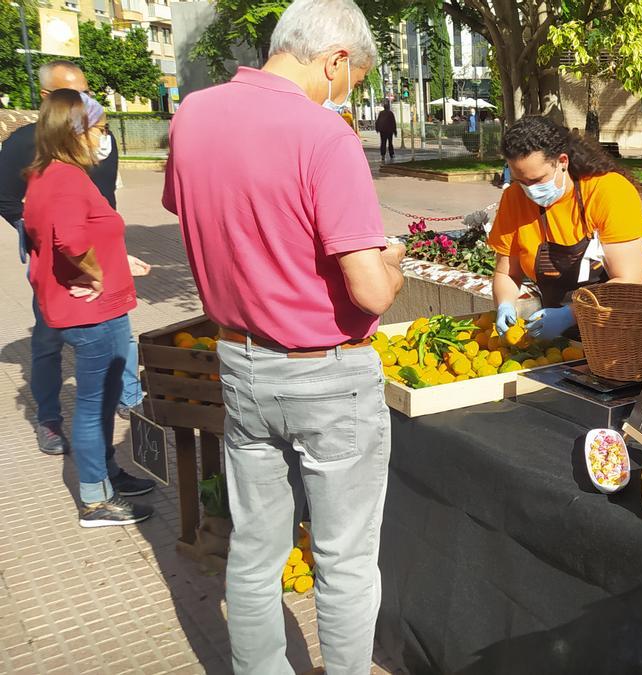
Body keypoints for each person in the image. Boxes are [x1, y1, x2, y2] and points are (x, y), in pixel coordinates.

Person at [162, 0, 405, 671]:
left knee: (255, 548)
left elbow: (212, 219)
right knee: (345, 559)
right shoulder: (325, 138)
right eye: (351, 80)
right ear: (333, 61)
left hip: (240, 361)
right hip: (327, 371)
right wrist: (391, 260)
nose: (347, 95)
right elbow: (369, 290)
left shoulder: (193, 116)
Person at [0, 60, 148, 454]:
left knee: (121, 334)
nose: (86, 100)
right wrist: (40, 231)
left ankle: (129, 397)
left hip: (95, 251)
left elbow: (104, 202)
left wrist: (113, 253)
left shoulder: (97, 140)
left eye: (87, 90)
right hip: (61, 260)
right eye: (75, 93)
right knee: (50, 343)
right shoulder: (23, 146)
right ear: (52, 100)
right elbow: (12, 203)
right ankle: (50, 420)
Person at [22, 89, 155, 526]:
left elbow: (78, 233)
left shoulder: (48, 175)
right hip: (92, 314)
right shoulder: (64, 177)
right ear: (76, 131)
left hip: (95, 310)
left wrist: (118, 261)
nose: (103, 137)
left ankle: (108, 475)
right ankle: (96, 499)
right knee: (96, 405)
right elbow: (70, 242)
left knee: (103, 398)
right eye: (99, 128)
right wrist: (96, 272)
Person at [488, 116, 642, 340]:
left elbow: (627, 281)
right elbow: (507, 272)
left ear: (562, 161)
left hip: (616, 329)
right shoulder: (514, 199)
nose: (529, 190)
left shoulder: (609, 192)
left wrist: (568, 315)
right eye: (520, 181)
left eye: (537, 180)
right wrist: (505, 304)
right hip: (559, 337)